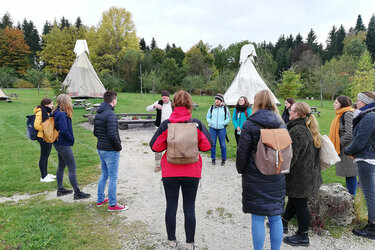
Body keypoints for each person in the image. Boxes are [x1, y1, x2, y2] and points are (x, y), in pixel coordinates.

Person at [150, 90, 212, 250]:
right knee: (189, 208)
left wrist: (169, 143)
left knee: (171, 206)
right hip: (191, 171)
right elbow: (207, 146)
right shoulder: (196, 124)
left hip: (170, 171)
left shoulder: (166, 125)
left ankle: (172, 240)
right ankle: (190, 243)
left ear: (174, 104)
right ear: (190, 105)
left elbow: (154, 146)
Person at [236, 90, 285, 250]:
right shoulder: (281, 123)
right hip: (276, 173)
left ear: (256, 103)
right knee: (275, 216)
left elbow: (242, 151)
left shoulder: (250, 124)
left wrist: (241, 168)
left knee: (257, 217)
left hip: (255, 173)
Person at [282, 102, 322, 247]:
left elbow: (292, 157)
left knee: (300, 204)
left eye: (291, 110)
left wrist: (281, 171)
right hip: (308, 174)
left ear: (297, 114)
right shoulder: (307, 127)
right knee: (294, 200)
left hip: (301, 177)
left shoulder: (297, 131)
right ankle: (284, 222)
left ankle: (303, 236)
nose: (289, 112)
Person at [345, 91, 375, 239]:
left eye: (358, 100)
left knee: (371, 195)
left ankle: (373, 227)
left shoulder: (369, 116)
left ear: (366, 102)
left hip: (367, 160)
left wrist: (348, 151)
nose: (356, 103)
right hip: (370, 158)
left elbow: (359, 140)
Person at [50, 94, 90, 199]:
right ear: (65, 102)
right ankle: (77, 193)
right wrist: (71, 139)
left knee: (61, 166)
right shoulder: (62, 114)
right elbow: (64, 130)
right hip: (63, 144)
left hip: (57, 143)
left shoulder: (55, 112)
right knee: (72, 168)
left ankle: (60, 189)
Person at [94, 91, 127, 211]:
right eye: (116, 100)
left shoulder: (99, 113)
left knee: (104, 174)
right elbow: (112, 134)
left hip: (100, 148)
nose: (116, 102)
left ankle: (100, 199)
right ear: (113, 101)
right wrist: (118, 147)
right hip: (110, 150)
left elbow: (95, 132)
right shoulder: (111, 115)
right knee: (113, 176)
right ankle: (113, 204)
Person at [328, 96, 357, 196]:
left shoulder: (348, 114)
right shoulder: (340, 114)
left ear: (342, 104)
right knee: (348, 174)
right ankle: (350, 197)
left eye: (336, 103)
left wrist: (337, 142)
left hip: (348, 149)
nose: (333, 104)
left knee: (351, 174)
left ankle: (351, 198)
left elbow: (350, 134)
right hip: (344, 148)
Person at [146, 90, 173, 172]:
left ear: (168, 97)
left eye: (166, 98)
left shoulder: (173, 104)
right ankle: (158, 164)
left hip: (171, 128)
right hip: (159, 129)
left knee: (171, 146)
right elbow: (147, 109)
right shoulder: (159, 102)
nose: (164, 99)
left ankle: (169, 163)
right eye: (163, 98)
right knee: (158, 145)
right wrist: (154, 106)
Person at [34, 98, 56, 182]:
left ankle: (46, 174)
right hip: (42, 137)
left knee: (46, 156)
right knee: (43, 156)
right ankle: (43, 177)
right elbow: (36, 125)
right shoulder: (40, 112)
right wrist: (47, 129)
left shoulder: (47, 112)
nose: (52, 105)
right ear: (46, 105)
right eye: (51, 104)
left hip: (48, 136)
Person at [206, 93, 230, 166]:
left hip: (221, 129)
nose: (217, 101)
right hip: (212, 128)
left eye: (218, 100)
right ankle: (213, 158)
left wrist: (223, 123)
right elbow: (208, 117)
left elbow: (228, 118)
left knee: (222, 144)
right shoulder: (212, 108)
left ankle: (223, 159)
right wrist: (211, 122)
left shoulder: (225, 108)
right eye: (216, 99)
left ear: (221, 101)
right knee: (213, 144)